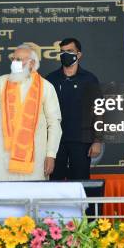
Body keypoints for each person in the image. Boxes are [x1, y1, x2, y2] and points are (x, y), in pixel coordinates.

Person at [0, 43, 62, 181]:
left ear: (31, 63)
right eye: (14, 59)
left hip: (34, 157)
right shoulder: (4, 81)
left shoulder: (46, 87)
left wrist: (51, 155)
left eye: (19, 60)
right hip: (2, 154)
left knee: (31, 198)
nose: (15, 63)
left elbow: (54, 124)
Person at [46, 38, 103, 180]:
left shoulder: (89, 79)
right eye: (62, 52)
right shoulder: (50, 79)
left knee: (81, 181)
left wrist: (97, 140)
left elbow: (99, 110)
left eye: (69, 51)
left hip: (82, 141)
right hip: (55, 141)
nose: (65, 55)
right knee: (54, 182)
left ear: (79, 55)